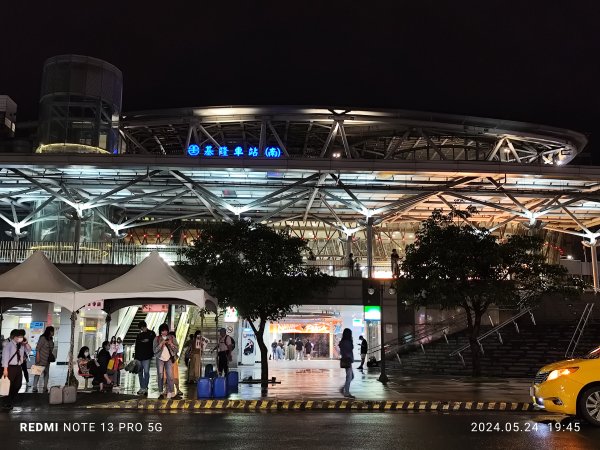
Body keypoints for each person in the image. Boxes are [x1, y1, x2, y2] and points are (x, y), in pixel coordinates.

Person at [1, 329, 26, 411]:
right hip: (9, 367)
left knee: (18, 385)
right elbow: (5, 357)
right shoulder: (8, 345)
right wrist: (5, 369)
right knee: (7, 385)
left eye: (22, 336)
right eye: (20, 337)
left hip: (18, 367)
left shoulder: (21, 345)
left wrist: (26, 344)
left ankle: (10, 399)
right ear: (15, 337)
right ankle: (6, 403)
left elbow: (28, 350)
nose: (21, 338)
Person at [153, 324, 179, 399]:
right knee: (160, 375)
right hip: (160, 358)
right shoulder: (156, 339)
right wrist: (161, 344)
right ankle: (161, 392)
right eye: (162, 331)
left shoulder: (171, 337)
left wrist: (171, 344)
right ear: (160, 331)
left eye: (165, 330)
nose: (164, 332)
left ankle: (172, 393)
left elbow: (177, 349)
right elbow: (154, 350)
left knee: (170, 375)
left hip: (169, 359)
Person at [134, 320, 156, 395]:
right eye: (141, 329)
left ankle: (145, 387)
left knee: (146, 372)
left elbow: (154, 343)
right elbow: (137, 346)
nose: (142, 330)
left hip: (147, 356)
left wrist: (148, 341)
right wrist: (136, 358)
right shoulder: (139, 335)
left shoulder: (151, 334)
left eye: (142, 328)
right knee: (140, 372)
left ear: (145, 326)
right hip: (139, 356)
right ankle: (142, 387)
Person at [33, 326, 54, 393]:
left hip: (47, 359)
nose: (54, 332)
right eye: (53, 331)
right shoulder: (42, 338)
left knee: (46, 373)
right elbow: (38, 348)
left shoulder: (50, 339)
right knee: (37, 373)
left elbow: (51, 349)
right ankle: (34, 387)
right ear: (50, 331)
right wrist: (37, 358)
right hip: (40, 359)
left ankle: (45, 387)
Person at [339, 328, 355, 398]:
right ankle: (346, 392)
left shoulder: (342, 342)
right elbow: (350, 349)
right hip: (348, 360)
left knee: (351, 376)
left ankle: (343, 388)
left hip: (345, 359)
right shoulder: (348, 342)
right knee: (349, 377)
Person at [166, 331, 183, 396]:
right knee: (166, 376)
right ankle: (167, 389)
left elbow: (177, 350)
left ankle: (177, 389)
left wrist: (172, 344)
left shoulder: (173, 342)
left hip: (173, 361)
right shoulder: (164, 341)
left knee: (175, 375)